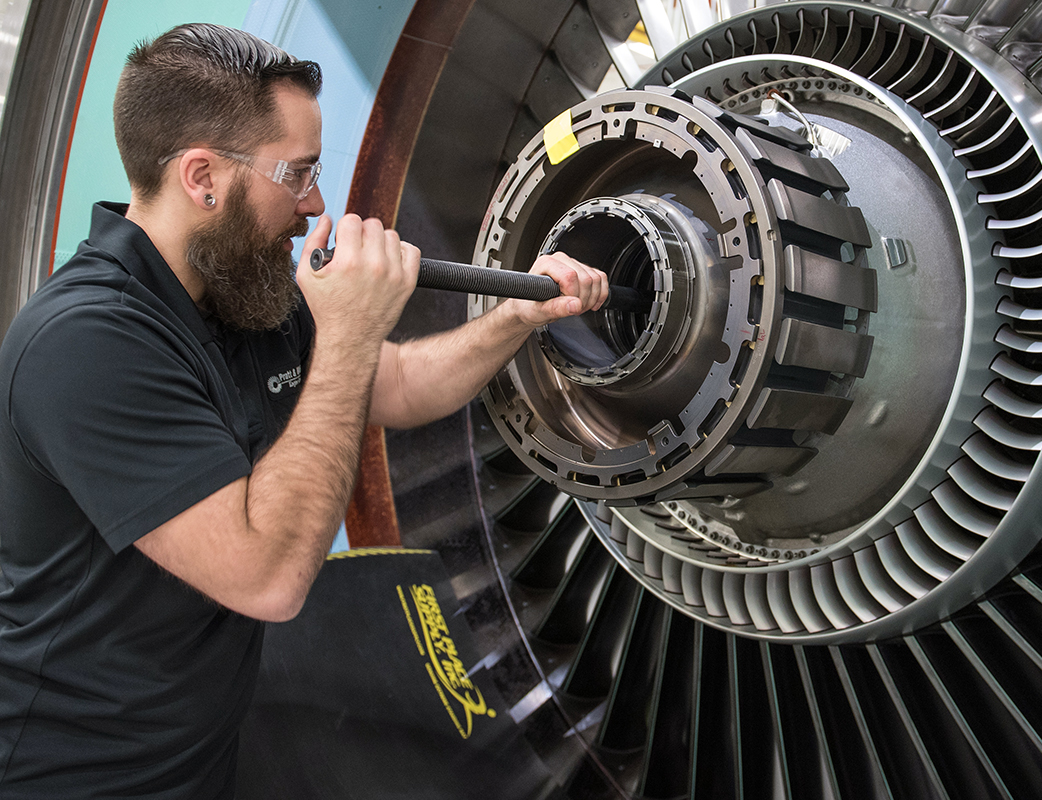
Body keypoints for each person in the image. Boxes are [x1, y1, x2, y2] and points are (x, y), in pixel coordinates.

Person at [0, 23, 608, 797]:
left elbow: (390, 384)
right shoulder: (83, 346)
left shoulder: (239, 288)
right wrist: (351, 328)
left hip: (205, 756)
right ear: (202, 178)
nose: (316, 201)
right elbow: (269, 576)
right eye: (298, 172)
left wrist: (515, 321)